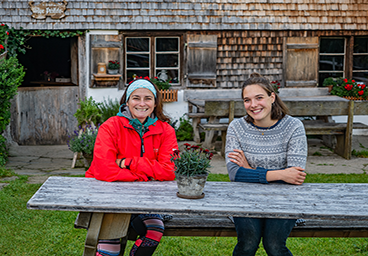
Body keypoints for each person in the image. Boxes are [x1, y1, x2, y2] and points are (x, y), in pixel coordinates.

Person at [86, 78, 178, 256]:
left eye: (148, 98)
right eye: (136, 98)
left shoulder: (166, 131)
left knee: (155, 230)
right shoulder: (111, 127)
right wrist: (144, 176)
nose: (142, 103)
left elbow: (170, 170)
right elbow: (104, 169)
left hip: (146, 200)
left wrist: (129, 163)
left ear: (155, 102)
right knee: (109, 247)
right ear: (127, 101)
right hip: (108, 198)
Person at [225, 72, 308, 256]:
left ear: (272, 97)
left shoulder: (293, 127)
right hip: (245, 198)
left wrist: (250, 170)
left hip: (284, 199)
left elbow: (295, 175)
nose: (253, 105)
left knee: (274, 245)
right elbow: (235, 174)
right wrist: (280, 174)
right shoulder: (236, 128)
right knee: (247, 243)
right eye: (247, 100)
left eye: (259, 97)